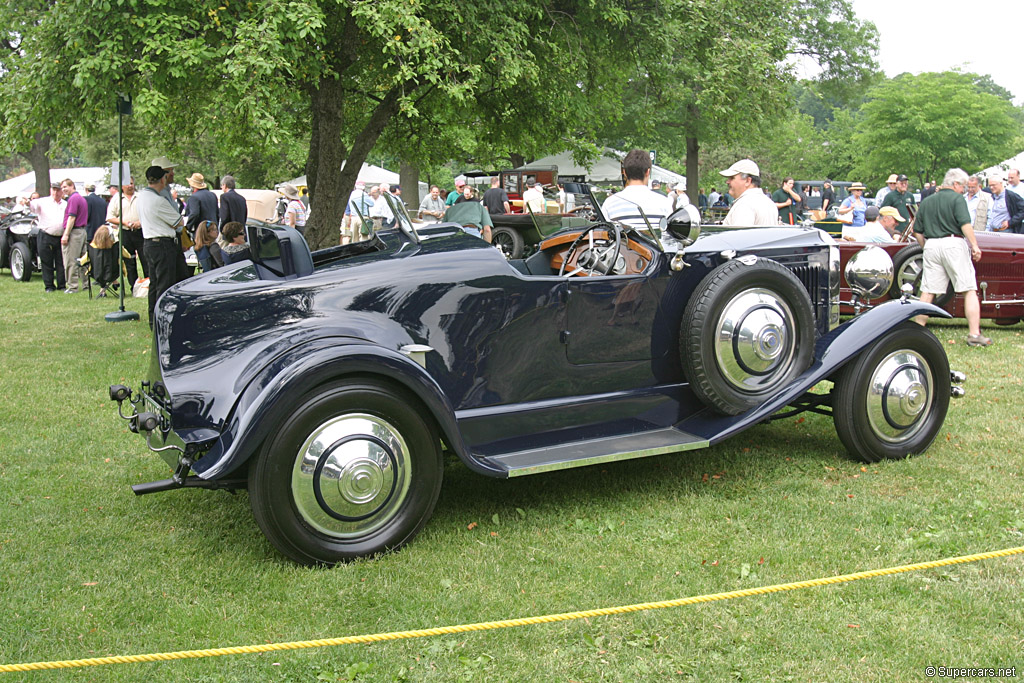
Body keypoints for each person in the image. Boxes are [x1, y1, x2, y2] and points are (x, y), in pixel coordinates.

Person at [913, 167, 990, 347]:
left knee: (928, 290)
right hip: (953, 243)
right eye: (962, 186)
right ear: (955, 184)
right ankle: (974, 334)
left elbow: (917, 231)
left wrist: (927, 247)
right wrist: (975, 245)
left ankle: (917, 330)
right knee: (969, 288)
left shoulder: (927, 201)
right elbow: (965, 224)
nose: (964, 190)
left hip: (931, 244)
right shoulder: (957, 199)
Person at [138, 165, 186, 326]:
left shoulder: (142, 196)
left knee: (155, 283)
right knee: (165, 284)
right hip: (162, 244)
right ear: (163, 179)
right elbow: (179, 222)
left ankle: (153, 318)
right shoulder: (158, 201)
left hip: (149, 243)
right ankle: (163, 320)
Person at [599, 149, 674, 232]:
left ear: (624, 172)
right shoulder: (664, 203)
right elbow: (669, 237)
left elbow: (604, 234)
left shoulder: (609, 203)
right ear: (648, 172)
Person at [106, 177, 145, 285]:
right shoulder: (116, 199)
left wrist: (139, 222)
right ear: (122, 186)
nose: (130, 186)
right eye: (128, 184)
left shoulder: (141, 197)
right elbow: (110, 217)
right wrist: (123, 222)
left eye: (132, 183)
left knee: (145, 259)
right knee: (129, 261)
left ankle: (149, 285)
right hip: (125, 232)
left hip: (141, 232)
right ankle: (134, 285)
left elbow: (148, 214)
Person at [30, 183, 67, 293]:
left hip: (60, 236)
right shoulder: (43, 201)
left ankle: (62, 285)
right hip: (46, 234)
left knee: (60, 261)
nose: (55, 193)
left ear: (61, 192)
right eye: (53, 190)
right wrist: (28, 203)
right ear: (51, 190)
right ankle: (49, 286)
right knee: (46, 261)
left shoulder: (65, 204)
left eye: (58, 190)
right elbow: (33, 207)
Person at [718, 158, 778, 226]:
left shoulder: (744, 204)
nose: (727, 182)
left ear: (747, 181)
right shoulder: (769, 203)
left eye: (732, 178)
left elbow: (741, 235)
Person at [59, 179, 89, 293]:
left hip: (74, 232)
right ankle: (86, 284)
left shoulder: (73, 199)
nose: (63, 190)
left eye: (65, 187)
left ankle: (72, 286)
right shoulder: (81, 198)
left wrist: (66, 235)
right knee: (83, 260)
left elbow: (72, 217)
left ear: (72, 186)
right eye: (62, 188)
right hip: (82, 231)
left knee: (71, 260)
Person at [184, 173, 219, 271]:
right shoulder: (212, 195)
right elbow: (217, 213)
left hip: (201, 232)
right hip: (212, 230)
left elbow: (194, 214)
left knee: (204, 257)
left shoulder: (194, 198)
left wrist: (188, 227)